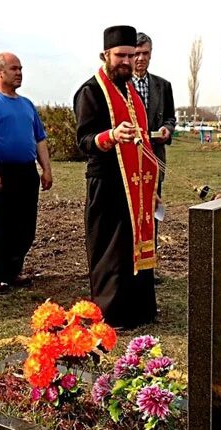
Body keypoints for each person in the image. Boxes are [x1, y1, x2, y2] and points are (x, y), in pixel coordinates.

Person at [73, 26, 159, 329]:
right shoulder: (91, 91)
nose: (127, 60)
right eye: (120, 55)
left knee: (132, 246)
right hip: (106, 182)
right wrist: (111, 136)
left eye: (131, 55)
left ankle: (139, 309)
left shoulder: (131, 92)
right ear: (105, 55)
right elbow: (83, 140)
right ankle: (112, 314)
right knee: (110, 250)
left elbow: (144, 142)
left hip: (135, 185)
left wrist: (152, 188)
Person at [0, 52, 52, 295]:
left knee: (27, 226)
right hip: (2, 171)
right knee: (4, 225)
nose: (19, 73)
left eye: (21, 68)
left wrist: (46, 168)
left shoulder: (26, 105)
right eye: (14, 69)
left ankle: (13, 271)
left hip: (27, 171)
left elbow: (40, 139)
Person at [133, 32, 176, 284]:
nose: (140, 59)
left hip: (154, 158)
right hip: (130, 157)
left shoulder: (163, 85)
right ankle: (130, 261)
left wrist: (167, 130)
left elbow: (170, 117)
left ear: (151, 54)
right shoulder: (122, 85)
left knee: (152, 208)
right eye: (136, 53)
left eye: (145, 53)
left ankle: (149, 264)